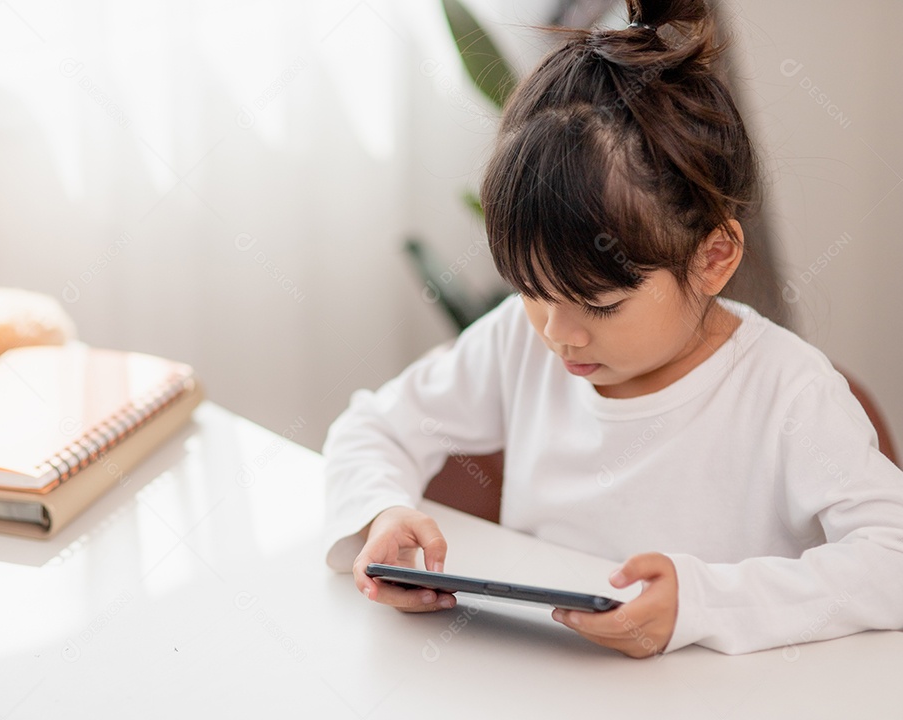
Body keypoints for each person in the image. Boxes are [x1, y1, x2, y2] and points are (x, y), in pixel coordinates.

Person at [322, 0, 903, 657]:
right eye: (533, 292)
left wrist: (703, 602)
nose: (559, 334)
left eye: (598, 305)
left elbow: (894, 563)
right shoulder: (521, 337)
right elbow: (373, 426)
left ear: (713, 258)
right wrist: (381, 514)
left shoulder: (788, 392)